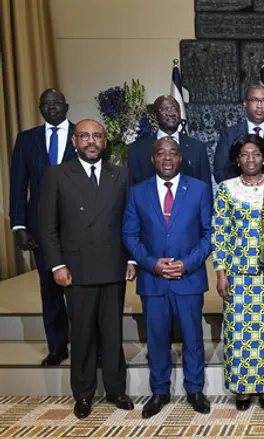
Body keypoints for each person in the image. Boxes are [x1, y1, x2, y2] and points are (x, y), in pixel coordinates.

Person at [37, 119, 136, 419]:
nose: (91, 141)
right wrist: (57, 264)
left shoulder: (120, 174)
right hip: (75, 268)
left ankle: (116, 389)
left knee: (111, 331)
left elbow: (129, 222)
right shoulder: (57, 175)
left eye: (96, 136)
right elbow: (47, 227)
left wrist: (131, 259)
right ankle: (83, 393)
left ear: (105, 142)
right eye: (84, 136)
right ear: (74, 142)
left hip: (112, 265)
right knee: (81, 334)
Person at [122, 137, 213, 418]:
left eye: (172, 153)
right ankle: (159, 392)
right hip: (154, 280)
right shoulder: (138, 192)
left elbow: (209, 233)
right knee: (157, 338)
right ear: (152, 159)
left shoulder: (199, 189)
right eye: (160, 153)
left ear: (180, 158)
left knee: (193, 338)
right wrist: (151, 264)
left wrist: (186, 264)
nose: (167, 158)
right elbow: (130, 234)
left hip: (189, 278)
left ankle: (195, 390)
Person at [212, 133, 264, 410]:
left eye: (256, 154)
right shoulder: (226, 189)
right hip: (238, 275)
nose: (251, 159)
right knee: (238, 335)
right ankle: (241, 389)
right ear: (237, 159)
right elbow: (220, 232)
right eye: (245, 154)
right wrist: (221, 272)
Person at [9, 88, 75, 366]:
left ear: (66, 106)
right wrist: (19, 225)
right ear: (39, 108)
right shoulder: (27, 140)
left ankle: (87, 345)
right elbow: (18, 186)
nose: (51, 107)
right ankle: (58, 346)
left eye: (56, 103)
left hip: (77, 228)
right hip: (40, 227)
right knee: (50, 290)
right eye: (46, 103)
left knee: (80, 291)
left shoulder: (82, 135)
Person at [127, 95, 211, 186]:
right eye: (165, 109)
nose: (171, 113)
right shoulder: (137, 149)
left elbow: (205, 188)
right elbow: (132, 189)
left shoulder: (197, 148)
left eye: (175, 109)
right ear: (155, 115)